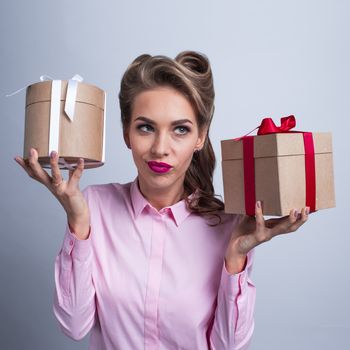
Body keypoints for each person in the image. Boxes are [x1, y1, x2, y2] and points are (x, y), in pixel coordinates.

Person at [14, 50, 309, 350]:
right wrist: (78, 221)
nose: (160, 148)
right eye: (146, 127)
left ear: (200, 137)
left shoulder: (229, 226)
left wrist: (236, 257)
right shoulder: (95, 208)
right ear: (127, 133)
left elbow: (228, 346)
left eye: (180, 130)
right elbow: (74, 326)